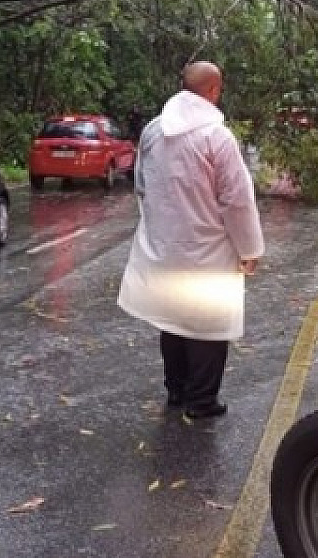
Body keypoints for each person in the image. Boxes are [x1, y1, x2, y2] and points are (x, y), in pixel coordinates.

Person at [117, 61, 264, 420]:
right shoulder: (216, 137)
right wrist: (249, 249)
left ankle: (177, 392)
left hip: (165, 248)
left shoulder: (153, 130)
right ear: (213, 90)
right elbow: (237, 200)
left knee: (174, 321)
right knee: (209, 328)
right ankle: (201, 401)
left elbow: (140, 185)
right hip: (208, 250)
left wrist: (159, 228)